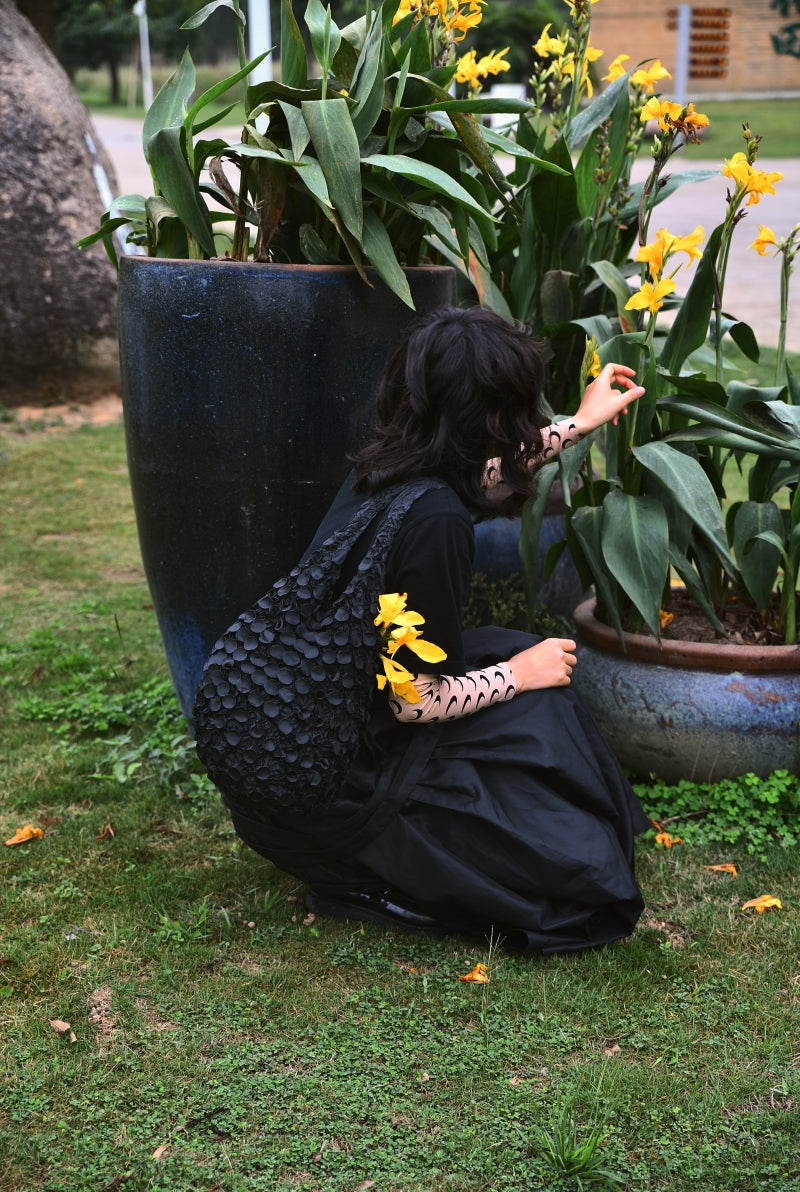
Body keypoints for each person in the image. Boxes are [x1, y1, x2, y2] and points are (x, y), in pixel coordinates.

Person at [219, 306, 651, 953]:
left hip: (283, 754)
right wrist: (518, 675)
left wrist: (581, 423)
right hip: (328, 792)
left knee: (506, 647)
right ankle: (367, 877)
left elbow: (494, 469)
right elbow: (414, 699)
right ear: (494, 418)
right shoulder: (436, 521)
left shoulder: (388, 467)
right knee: (574, 868)